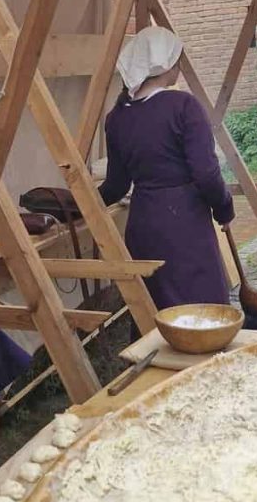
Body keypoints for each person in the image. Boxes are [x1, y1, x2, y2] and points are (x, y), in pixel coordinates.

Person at [98, 25, 234, 308]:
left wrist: (78, 206)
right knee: (201, 309)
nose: (178, 69)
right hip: (184, 224)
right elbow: (206, 174)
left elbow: (116, 186)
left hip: (143, 224)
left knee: (156, 309)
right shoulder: (183, 106)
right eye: (177, 62)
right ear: (167, 65)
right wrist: (224, 209)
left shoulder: (117, 117)